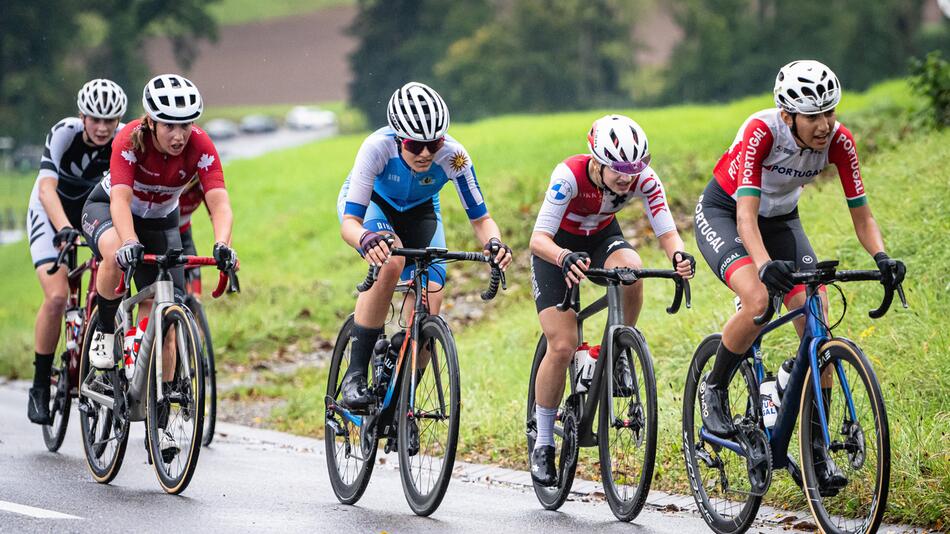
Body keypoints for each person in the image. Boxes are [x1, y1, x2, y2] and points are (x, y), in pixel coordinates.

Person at [693, 60, 905, 493]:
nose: (825, 124)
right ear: (788, 115)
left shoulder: (840, 141)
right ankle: (712, 389)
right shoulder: (762, 132)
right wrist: (765, 266)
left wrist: (882, 257)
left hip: (782, 219)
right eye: (813, 116)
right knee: (757, 300)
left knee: (817, 322)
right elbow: (746, 217)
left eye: (830, 112)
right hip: (727, 213)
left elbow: (862, 217)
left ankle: (816, 452)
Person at [528, 114, 696, 485]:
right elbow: (538, 239)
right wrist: (562, 257)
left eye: (635, 168)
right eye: (618, 169)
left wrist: (679, 256)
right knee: (562, 343)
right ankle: (542, 442)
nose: (627, 177)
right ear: (597, 161)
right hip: (556, 249)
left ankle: (615, 350)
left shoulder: (644, 179)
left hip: (602, 238)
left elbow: (666, 230)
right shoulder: (568, 176)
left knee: (632, 270)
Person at [80, 74, 237, 457]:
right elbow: (119, 201)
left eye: (185, 124)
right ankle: (103, 330)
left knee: (168, 314)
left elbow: (219, 201)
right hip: (109, 210)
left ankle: (162, 420)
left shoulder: (200, 145)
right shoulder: (129, 139)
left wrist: (222, 245)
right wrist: (130, 242)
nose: (179, 134)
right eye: (170, 125)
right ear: (151, 121)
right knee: (117, 251)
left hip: (161, 222)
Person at [336, 81, 513, 409]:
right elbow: (350, 223)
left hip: (420, 212)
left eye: (433, 144)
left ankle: (405, 405)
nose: (426, 154)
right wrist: (365, 238)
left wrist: (494, 243)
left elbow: (480, 219)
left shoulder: (454, 157)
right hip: (373, 206)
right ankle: (356, 374)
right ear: (398, 138)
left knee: (430, 303)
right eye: (415, 146)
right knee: (390, 262)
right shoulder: (376, 148)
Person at [26, 79, 127, 425]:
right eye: (95, 119)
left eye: (110, 121)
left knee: (111, 280)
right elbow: (46, 189)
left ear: (119, 121)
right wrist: (62, 227)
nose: (102, 128)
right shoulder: (64, 133)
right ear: (82, 116)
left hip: (93, 212)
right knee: (56, 298)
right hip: (52, 211)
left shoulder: (125, 139)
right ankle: (40, 385)